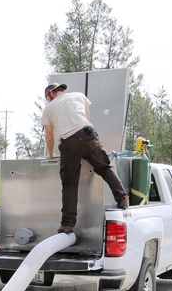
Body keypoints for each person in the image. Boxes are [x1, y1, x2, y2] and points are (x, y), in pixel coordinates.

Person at [41, 82, 129, 235]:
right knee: (104, 167)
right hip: (88, 135)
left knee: (69, 183)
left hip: (68, 142)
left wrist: (50, 154)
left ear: (50, 94)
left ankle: (67, 224)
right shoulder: (79, 96)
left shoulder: (48, 108)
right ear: (61, 90)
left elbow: (49, 137)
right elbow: (86, 118)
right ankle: (122, 198)